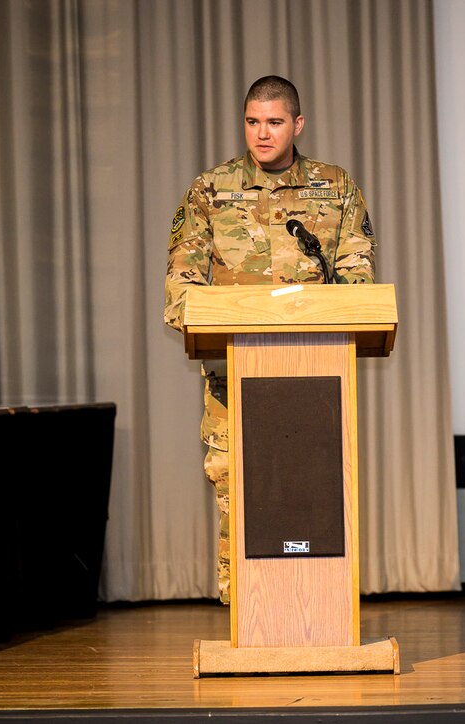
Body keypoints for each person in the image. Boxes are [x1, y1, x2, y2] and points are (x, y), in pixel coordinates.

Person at [163, 75, 377, 604]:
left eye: (275, 122)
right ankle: (250, 613)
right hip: (233, 378)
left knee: (314, 492)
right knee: (240, 490)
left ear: (297, 124)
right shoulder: (210, 190)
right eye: (253, 122)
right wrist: (213, 316)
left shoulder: (336, 187)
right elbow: (181, 287)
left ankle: (321, 608)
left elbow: (358, 280)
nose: (262, 134)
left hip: (315, 377)